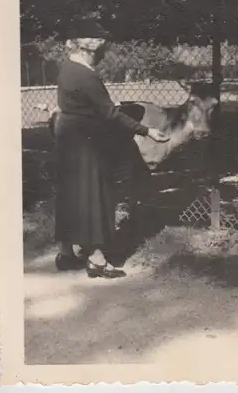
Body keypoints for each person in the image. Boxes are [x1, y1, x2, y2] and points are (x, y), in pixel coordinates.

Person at [54, 18, 169, 279]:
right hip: (86, 144)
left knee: (70, 195)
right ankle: (96, 260)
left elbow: (84, 104)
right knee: (96, 197)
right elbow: (110, 114)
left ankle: (67, 254)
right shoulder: (85, 75)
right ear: (89, 46)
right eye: (101, 45)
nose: (104, 51)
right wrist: (147, 130)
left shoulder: (67, 68)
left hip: (68, 139)